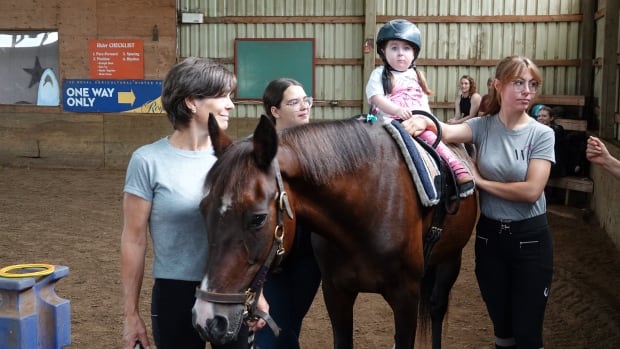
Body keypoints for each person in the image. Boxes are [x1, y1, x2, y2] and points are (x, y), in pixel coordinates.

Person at [402, 55, 555, 348]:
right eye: (518, 83)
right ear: (498, 86)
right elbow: (445, 131)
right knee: (502, 330)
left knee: (527, 333)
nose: (527, 91)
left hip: (530, 242)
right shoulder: (483, 127)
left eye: (532, 84)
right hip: (490, 240)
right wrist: (423, 119)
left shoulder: (542, 134)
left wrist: (480, 182)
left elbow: (531, 191)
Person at [120, 57, 266, 349]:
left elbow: (251, 233)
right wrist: (130, 314)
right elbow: (133, 240)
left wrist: (257, 290)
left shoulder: (237, 158)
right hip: (175, 293)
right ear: (191, 102)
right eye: (222, 96)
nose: (230, 105)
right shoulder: (148, 161)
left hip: (231, 290)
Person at [365, 18, 474, 196]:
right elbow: (376, 98)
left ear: (414, 53)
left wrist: (427, 120)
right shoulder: (379, 74)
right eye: (394, 48)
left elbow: (423, 103)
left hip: (415, 122)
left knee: (432, 139)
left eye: (406, 48)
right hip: (390, 121)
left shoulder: (416, 75)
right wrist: (396, 110)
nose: (400, 53)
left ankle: (456, 169)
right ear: (383, 51)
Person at [254, 78, 322, 349]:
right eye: (294, 102)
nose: (304, 107)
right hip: (272, 261)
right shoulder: (259, 150)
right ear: (275, 111)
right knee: (273, 333)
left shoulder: (320, 148)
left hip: (309, 256)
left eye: (306, 100)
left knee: (291, 325)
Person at [536, 105, 566, 177]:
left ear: (551, 118)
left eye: (544, 116)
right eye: (539, 116)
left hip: (553, 165)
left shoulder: (557, 130)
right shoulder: (536, 130)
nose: (540, 118)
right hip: (541, 163)